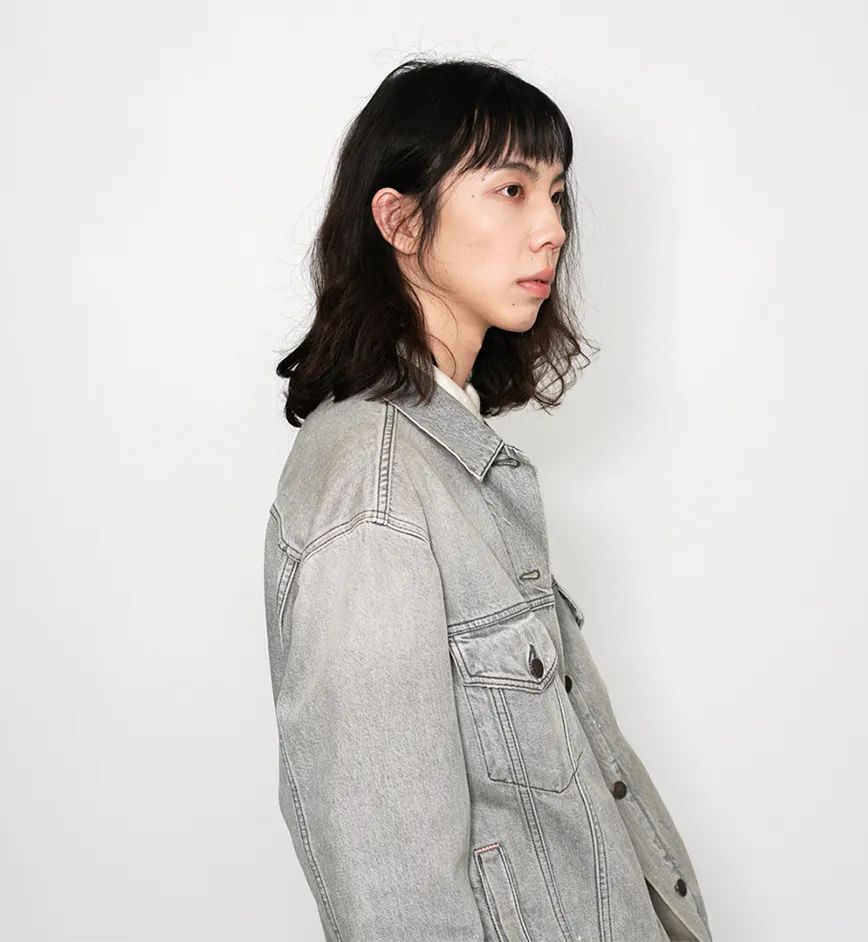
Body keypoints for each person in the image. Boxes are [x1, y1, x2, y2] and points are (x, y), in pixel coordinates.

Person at [263, 55, 713, 942]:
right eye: (511, 190)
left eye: (557, 195)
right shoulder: (374, 486)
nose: (551, 230)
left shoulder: (451, 455)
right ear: (399, 219)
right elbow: (391, 885)